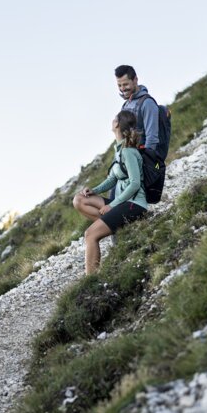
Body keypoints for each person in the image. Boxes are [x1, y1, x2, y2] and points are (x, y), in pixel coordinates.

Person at [73, 111, 147, 275]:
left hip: (133, 205)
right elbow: (112, 178)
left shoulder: (128, 151)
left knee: (90, 234)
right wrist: (94, 190)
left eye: (115, 119)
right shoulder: (120, 150)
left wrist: (112, 205)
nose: (112, 120)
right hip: (123, 203)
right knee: (79, 199)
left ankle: (90, 279)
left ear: (118, 125)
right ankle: (115, 226)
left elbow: (135, 184)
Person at [115, 65, 159, 151]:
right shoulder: (125, 105)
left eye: (125, 84)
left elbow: (152, 138)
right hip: (131, 158)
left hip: (143, 159)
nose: (122, 89)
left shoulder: (147, 103)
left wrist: (147, 161)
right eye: (119, 85)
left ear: (135, 80)